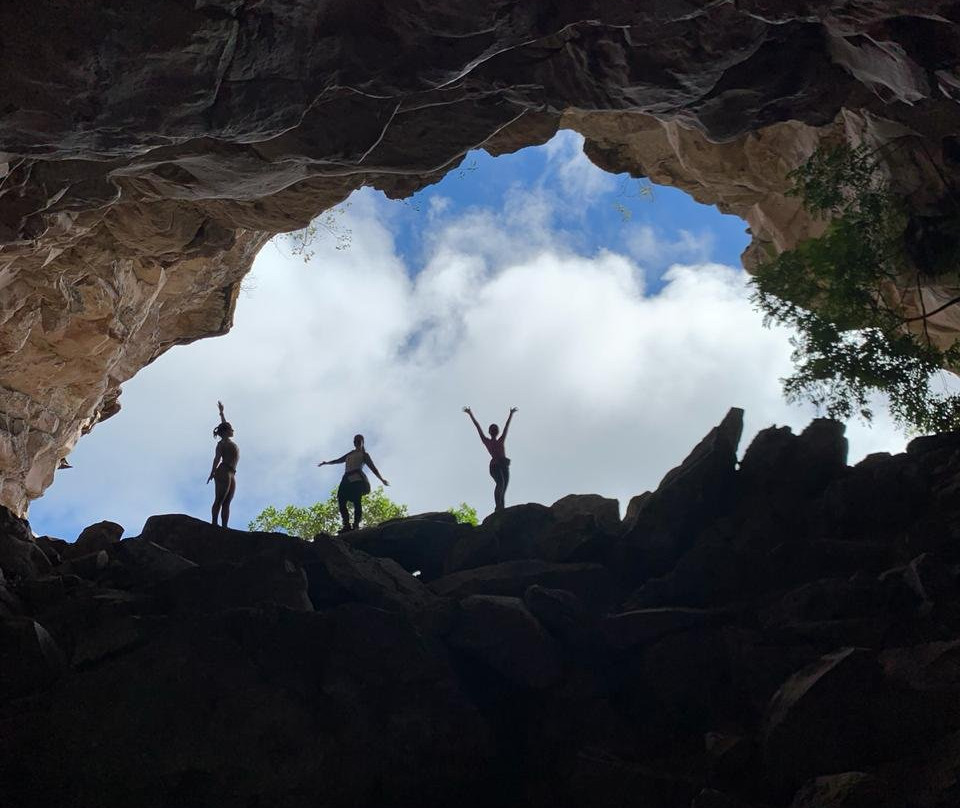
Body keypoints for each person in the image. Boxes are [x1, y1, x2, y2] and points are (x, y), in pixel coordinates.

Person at [318, 434, 390, 532]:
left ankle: (356, 524)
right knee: (341, 499)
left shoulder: (364, 455)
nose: (357, 443)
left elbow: (373, 468)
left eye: (359, 441)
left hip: (357, 479)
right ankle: (346, 524)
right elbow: (338, 460)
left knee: (357, 501)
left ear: (362, 442)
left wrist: (382, 479)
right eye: (355, 441)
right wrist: (326, 463)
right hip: (346, 478)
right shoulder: (350, 454)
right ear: (354, 443)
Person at [463, 406, 517, 512]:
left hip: (504, 465)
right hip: (495, 465)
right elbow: (477, 426)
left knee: (503, 488)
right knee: (500, 483)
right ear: (490, 431)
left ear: (497, 431)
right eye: (493, 429)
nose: (494, 430)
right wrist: (470, 414)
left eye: (495, 428)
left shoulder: (500, 440)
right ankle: (498, 507)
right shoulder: (487, 441)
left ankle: (501, 507)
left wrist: (511, 414)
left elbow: (506, 427)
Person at [207, 400, 239, 527]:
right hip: (224, 471)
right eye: (231, 429)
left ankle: (224, 526)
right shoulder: (222, 444)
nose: (233, 430)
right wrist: (212, 472)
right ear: (226, 432)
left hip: (232, 472)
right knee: (219, 499)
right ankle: (214, 523)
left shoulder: (228, 441)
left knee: (227, 502)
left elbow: (224, 424)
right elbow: (217, 459)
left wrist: (221, 413)